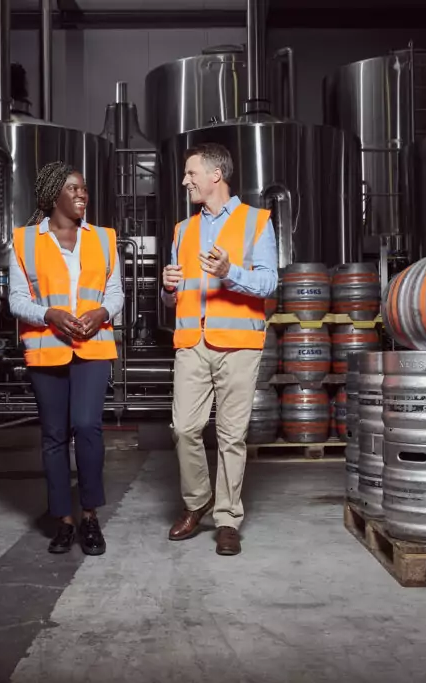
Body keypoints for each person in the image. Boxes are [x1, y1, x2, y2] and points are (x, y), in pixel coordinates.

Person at [161, 142, 278, 556]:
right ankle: (198, 502)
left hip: (239, 344)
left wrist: (231, 273)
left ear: (215, 175)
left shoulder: (257, 222)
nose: (184, 180)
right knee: (184, 428)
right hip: (192, 341)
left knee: (231, 436)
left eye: (191, 172)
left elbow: (269, 283)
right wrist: (167, 287)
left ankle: (227, 518)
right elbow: (174, 295)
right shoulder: (183, 230)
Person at [8, 161, 124, 556]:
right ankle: (64, 520)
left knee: (87, 426)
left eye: (84, 189)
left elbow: (116, 291)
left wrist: (102, 314)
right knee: (54, 436)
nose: (82, 194)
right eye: (73, 188)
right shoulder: (24, 240)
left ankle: (90, 517)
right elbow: (17, 299)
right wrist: (49, 315)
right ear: (52, 193)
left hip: (93, 347)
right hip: (46, 349)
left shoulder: (105, 238)